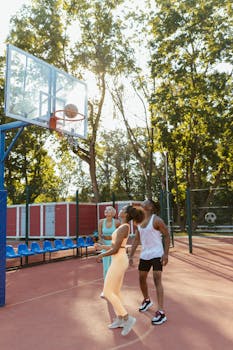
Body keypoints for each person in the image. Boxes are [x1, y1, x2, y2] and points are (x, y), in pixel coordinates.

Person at [95, 205, 145, 336]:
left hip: (119, 260)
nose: (120, 210)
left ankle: (127, 318)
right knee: (115, 291)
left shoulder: (124, 227)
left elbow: (116, 249)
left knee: (107, 291)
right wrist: (102, 246)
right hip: (118, 258)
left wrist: (101, 255)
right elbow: (114, 245)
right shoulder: (122, 227)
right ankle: (120, 319)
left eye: (122, 210)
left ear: (126, 214)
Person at [128, 199, 170, 325]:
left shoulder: (156, 220)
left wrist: (166, 254)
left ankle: (161, 312)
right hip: (145, 254)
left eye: (145, 203)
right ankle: (147, 300)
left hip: (157, 253)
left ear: (150, 207)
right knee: (141, 279)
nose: (142, 204)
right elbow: (136, 240)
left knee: (157, 279)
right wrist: (130, 255)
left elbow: (167, 235)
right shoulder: (138, 222)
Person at [98, 206, 120, 297]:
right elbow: (100, 235)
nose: (106, 210)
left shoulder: (117, 222)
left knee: (113, 268)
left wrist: (112, 246)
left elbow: (120, 236)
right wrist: (103, 245)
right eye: (106, 209)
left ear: (114, 213)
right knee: (106, 268)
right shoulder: (101, 222)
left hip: (114, 246)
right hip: (104, 246)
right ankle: (106, 290)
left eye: (109, 209)